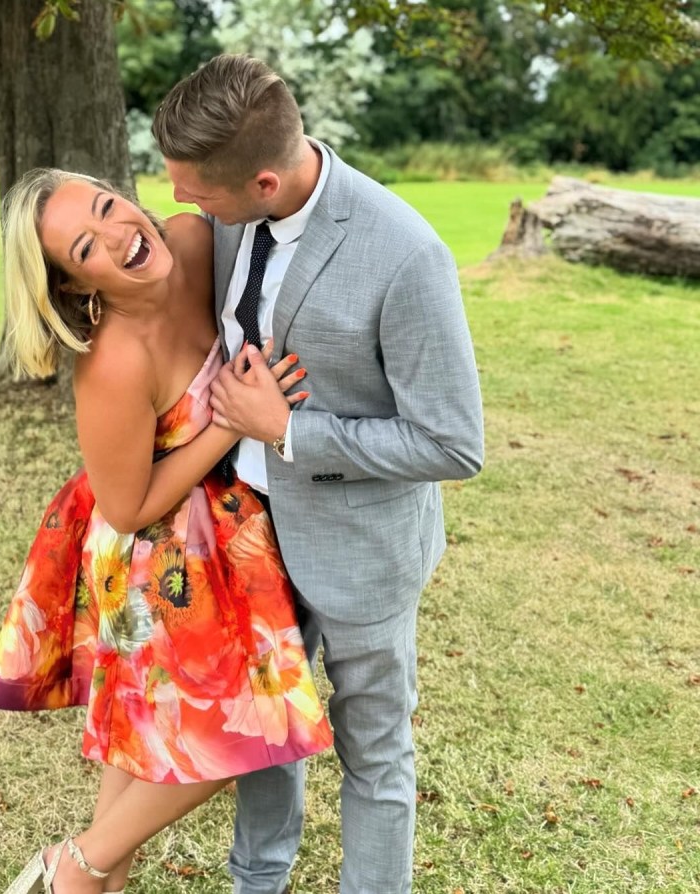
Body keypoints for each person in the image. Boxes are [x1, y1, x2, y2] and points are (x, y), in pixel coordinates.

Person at [151, 54, 485, 893]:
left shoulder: (407, 255)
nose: (185, 208)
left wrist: (292, 430)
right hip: (248, 538)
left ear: (265, 180)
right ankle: (255, 882)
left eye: (200, 195)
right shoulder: (228, 215)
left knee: (374, 750)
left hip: (363, 550)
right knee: (264, 730)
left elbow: (453, 444)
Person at [0, 168, 334, 894]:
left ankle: (89, 878)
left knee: (141, 744)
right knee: (243, 730)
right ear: (78, 288)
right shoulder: (112, 362)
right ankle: (72, 867)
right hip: (152, 557)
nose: (118, 237)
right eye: (87, 248)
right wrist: (229, 421)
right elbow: (126, 507)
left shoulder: (195, 241)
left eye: (110, 209)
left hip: (231, 532)